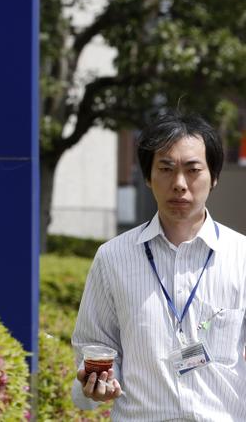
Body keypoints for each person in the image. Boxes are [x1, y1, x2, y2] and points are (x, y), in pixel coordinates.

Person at [71, 110, 246, 420]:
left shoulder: (241, 256)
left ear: (214, 177)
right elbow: (94, 346)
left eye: (193, 170)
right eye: (165, 169)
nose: (179, 184)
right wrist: (97, 383)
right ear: (148, 177)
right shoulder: (113, 258)